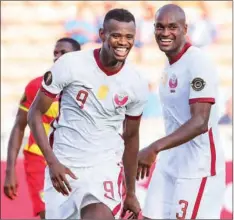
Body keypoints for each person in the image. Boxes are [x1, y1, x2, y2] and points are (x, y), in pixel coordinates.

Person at [27, 8, 148, 220]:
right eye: (116, 35)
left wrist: (130, 192)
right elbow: (34, 114)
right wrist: (52, 161)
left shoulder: (136, 83)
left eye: (129, 37)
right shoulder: (71, 64)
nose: (123, 42)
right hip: (64, 168)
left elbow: (131, 138)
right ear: (102, 35)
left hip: (103, 169)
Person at [137, 4, 225, 219]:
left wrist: (154, 148)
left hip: (197, 166)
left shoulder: (198, 63)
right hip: (170, 161)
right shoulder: (170, 64)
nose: (165, 33)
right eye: (159, 27)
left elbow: (200, 122)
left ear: (185, 29)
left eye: (172, 27)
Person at [3, 37, 81, 219]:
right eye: (55, 52)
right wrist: (10, 171)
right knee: (49, 214)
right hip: (39, 160)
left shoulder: (86, 88)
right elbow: (19, 127)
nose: (57, 56)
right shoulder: (36, 86)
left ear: (77, 57)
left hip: (74, 159)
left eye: (64, 53)